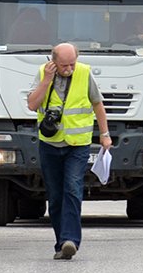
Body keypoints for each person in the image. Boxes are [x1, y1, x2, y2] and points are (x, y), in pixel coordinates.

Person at [26, 42, 112, 260]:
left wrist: (104, 134)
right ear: (53, 62)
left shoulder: (84, 72)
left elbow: (98, 104)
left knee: (72, 189)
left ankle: (70, 240)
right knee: (55, 196)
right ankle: (60, 244)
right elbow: (32, 105)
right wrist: (46, 80)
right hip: (50, 143)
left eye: (72, 63)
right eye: (64, 65)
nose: (69, 69)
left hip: (78, 144)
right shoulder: (42, 74)